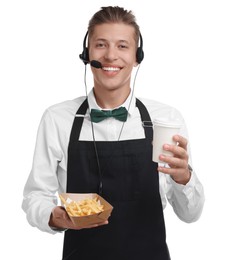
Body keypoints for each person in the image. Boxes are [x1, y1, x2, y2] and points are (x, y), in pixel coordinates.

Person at [22, 6, 205, 260]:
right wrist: (56, 217)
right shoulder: (57, 119)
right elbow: (35, 196)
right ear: (87, 53)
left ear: (137, 56)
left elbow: (190, 214)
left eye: (122, 46)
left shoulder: (166, 120)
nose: (110, 56)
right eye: (100, 44)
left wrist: (184, 177)